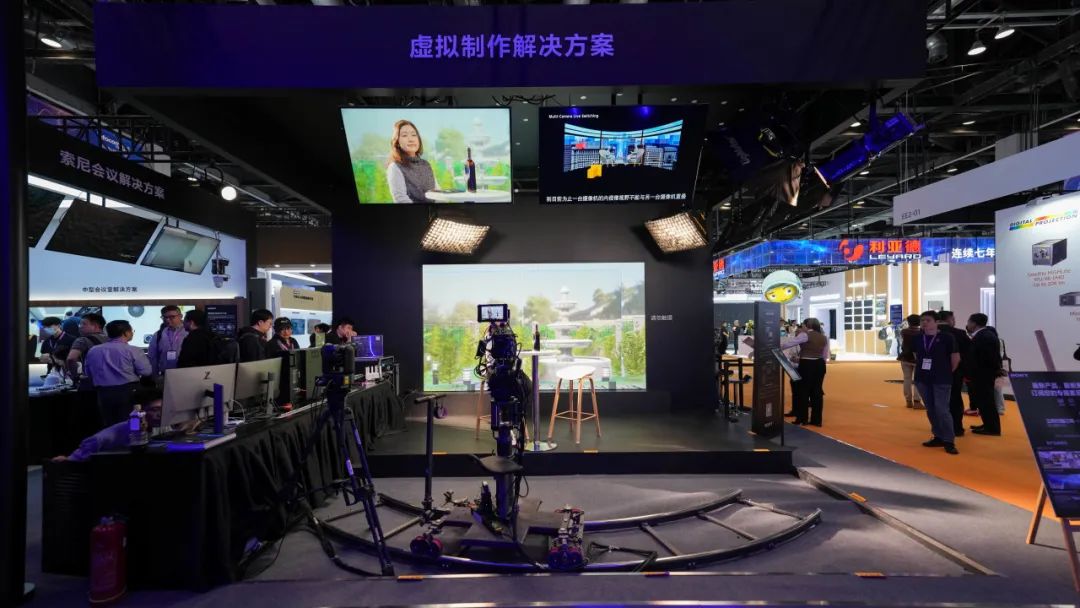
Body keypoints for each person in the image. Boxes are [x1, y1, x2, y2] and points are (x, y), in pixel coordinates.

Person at [83, 320, 153, 427]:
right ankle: (134, 436)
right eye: (132, 331)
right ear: (126, 333)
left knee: (109, 424)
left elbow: (88, 373)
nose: (132, 333)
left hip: (103, 393)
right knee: (133, 423)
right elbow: (146, 371)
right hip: (129, 392)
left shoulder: (93, 350)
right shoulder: (133, 350)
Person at [913, 311, 960, 455]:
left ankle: (949, 440)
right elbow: (916, 356)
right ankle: (938, 436)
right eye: (922, 320)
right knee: (931, 409)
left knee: (942, 409)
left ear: (936, 322)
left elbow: (955, 358)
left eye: (928, 320)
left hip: (941, 379)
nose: (924, 323)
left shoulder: (947, 338)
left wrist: (945, 372)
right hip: (922, 378)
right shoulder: (918, 338)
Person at [966, 314, 1002, 436]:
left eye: (969, 322)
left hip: (983, 374)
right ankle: (987, 424)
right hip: (983, 373)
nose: (968, 324)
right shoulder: (984, 335)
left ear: (974, 323)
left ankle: (992, 428)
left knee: (987, 401)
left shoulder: (984, 337)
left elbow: (988, 358)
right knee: (983, 401)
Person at [937, 311, 972, 437]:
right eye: (953, 319)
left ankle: (940, 427)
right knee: (955, 398)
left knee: (937, 400)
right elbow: (969, 353)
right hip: (956, 372)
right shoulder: (960, 333)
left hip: (935, 372)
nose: (955, 321)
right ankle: (957, 428)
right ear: (949, 319)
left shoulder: (928, 332)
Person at [386, 119, 437, 204]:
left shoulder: (426, 164)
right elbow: (401, 199)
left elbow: (437, 193)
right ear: (397, 142)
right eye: (404, 135)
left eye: (414, 135)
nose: (411, 139)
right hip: (411, 211)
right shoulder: (395, 167)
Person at [66, 312, 108, 390]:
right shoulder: (112, 340)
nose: (80, 327)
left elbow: (71, 359)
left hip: (91, 383)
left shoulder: (82, 340)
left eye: (83, 324)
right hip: (112, 383)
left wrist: (75, 376)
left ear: (95, 326)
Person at [146, 305, 188, 378]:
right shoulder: (158, 335)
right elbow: (153, 357)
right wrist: (155, 376)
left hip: (185, 374)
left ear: (180, 316)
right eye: (165, 317)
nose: (168, 320)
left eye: (172, 317)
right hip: (165, 375)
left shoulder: (188, 332)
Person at [897, 314, 924, 409]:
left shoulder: (904, 331)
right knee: (918, 380)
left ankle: (908, 400)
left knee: (907, 379)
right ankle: (917, 401)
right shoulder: (922, 332)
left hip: (905, 357)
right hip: (918, 358)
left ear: (908, 322)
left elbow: (902, 342)